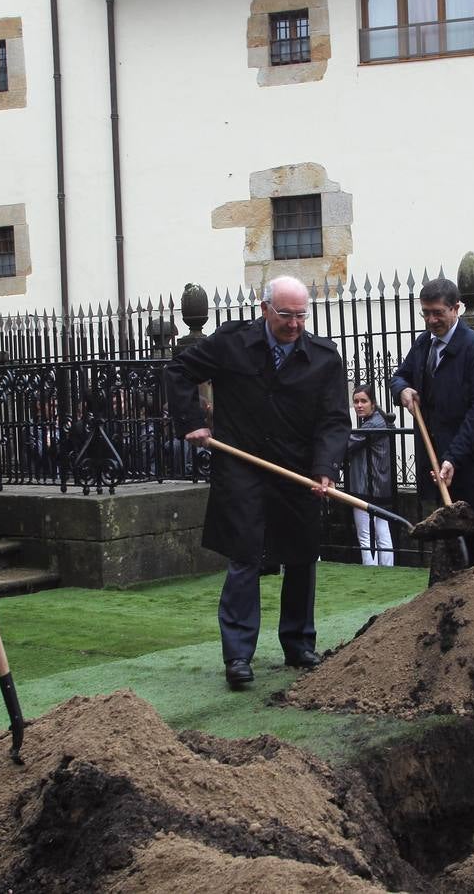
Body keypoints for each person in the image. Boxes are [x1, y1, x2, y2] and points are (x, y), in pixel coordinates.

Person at [164, 275, 348, 690]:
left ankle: (299, 643)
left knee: (302, 555)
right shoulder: (232, 342)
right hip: (241, 466)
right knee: (245, 556)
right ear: (264, 308)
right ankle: (238, 656)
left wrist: (325, 469)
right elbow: (178, 371)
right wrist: (191, 422)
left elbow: (334, 419)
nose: (295, 324)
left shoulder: (324, 358)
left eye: (301, 315)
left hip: (298, 470)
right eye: (286, 314)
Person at [391, 278, 474, 567]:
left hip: (471, 466)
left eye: (438, 313)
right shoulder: (423, 344)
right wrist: (402, 390)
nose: (431, 320)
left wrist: (453, 458)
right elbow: (398, 377)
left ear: (456, 309)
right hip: (436, 462)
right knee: (447, 545)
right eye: (426, 313)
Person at [347, 384, 394, 566]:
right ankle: (387, 568)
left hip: (366, 484)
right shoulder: (379, 421)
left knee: (366, 534)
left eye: (363, 401)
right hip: (378, 484)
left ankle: (371, 568)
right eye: (356, 401)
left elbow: (348, 444)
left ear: (372, 404)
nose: (359, 405)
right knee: (381, 529)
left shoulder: (373, 424)